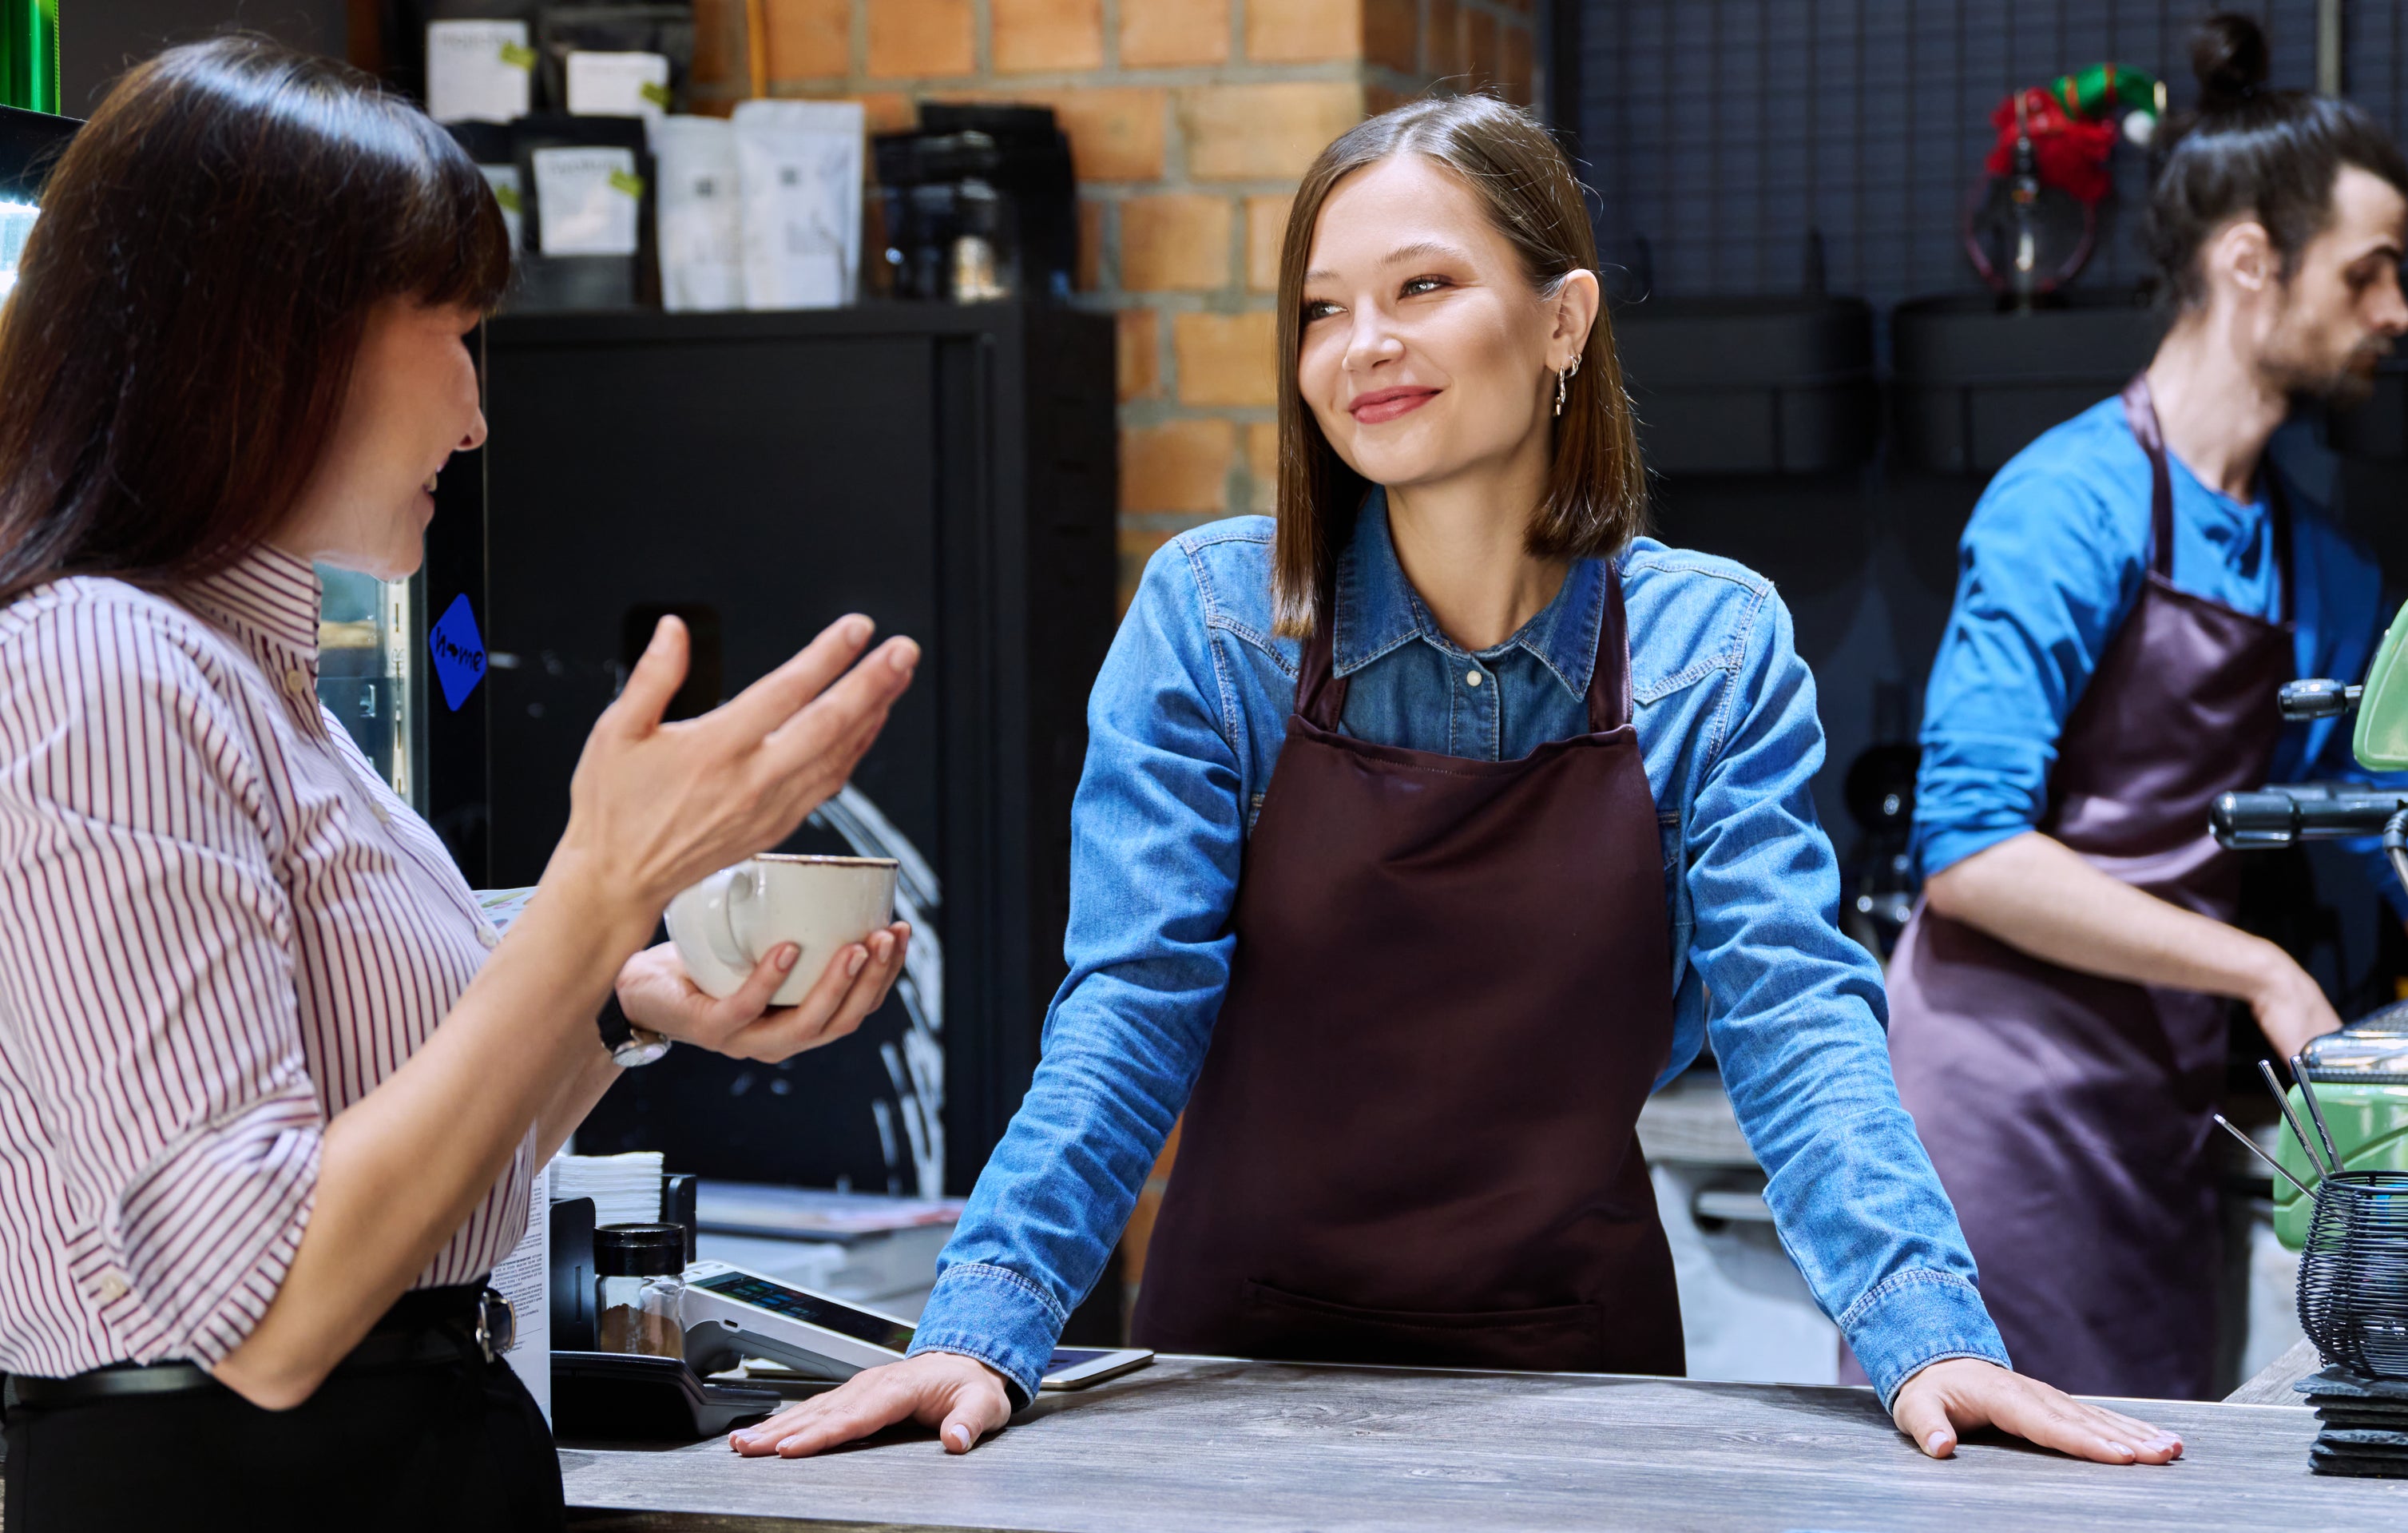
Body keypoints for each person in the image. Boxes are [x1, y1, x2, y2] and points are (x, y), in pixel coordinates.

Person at [731, 94, 2181, 1468]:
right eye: (1321, 307)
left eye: (1421, 287)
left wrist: (1929, 1342)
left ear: (1565, 317)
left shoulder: (1709, 648)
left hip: (1581, 1385)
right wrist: (983, 1327)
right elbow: (1127, 1011)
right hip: (1237, 1379)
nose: (1362, 345)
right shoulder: (1217, 624)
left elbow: (1794, 1020)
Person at [0, 39, 914, 1531]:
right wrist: (595, 893)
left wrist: (622, 1001)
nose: (478, 416)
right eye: (455, 334)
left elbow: (418, 1182)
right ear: (277, 338)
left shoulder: (258, 685)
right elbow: (279, 1312)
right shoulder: (101, 663)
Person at [1886, 12, 2408, 1401]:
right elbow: (1970, 853)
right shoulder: (2070, 504)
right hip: (1998, 1121)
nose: (2398, 314)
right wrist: (2259, 973)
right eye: (2369, 275)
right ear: (2252, 260)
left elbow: (2371, 832)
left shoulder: (2325, 566)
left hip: (2165, 1126)